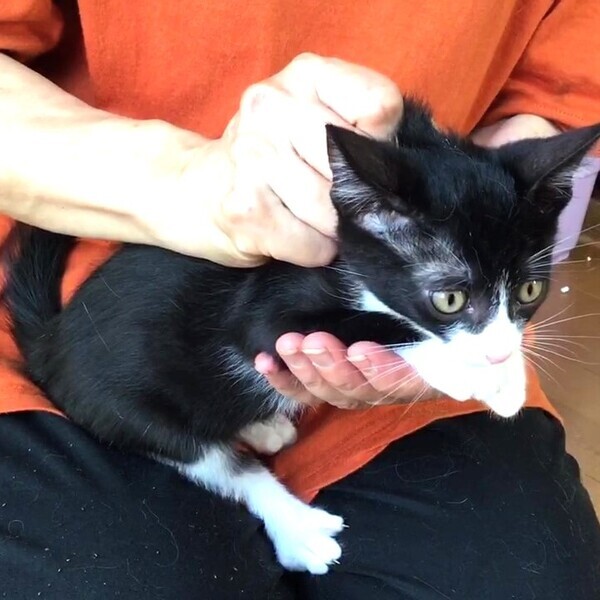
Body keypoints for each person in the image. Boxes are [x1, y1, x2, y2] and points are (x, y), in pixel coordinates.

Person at [0, 1, 599, 598]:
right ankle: (262, 496)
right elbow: (271, 327)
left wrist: (522, 180)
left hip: (368, 317)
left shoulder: (412, 256)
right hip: (138, 378)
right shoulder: (326, 267)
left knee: (526, 579)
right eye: (453, 302)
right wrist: (182, 179)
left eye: (528, 292)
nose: (502, 343)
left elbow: (554, 98)